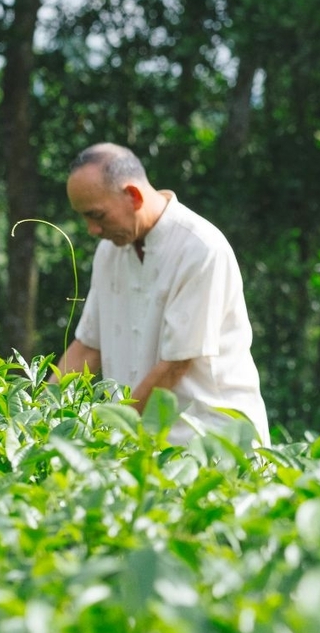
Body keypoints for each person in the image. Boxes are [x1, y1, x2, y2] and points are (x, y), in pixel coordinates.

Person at [54, 143, 269, 444]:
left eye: (98, 215)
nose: (92, 229)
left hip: (213, 439)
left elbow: (175, 365)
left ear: (134, 196)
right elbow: (88, 348)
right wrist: (36, 414)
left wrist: (110, 435)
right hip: (142, 439)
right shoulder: (109, 253)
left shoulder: (200, 248)